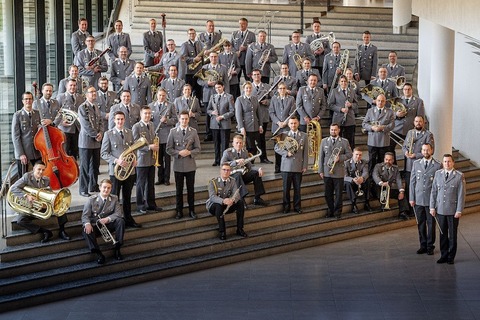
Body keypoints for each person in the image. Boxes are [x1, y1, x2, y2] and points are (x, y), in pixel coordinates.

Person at [9, 161, 70, 243]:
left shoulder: (46, 180)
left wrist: (49, 203)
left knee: (60, 207)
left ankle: (62, 231)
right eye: (39, 169)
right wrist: (26, 196)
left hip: (41, 207)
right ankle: (44, 231)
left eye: (43, 170)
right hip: (29, 206)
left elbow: (50, 196)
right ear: (34, 169)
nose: (41, 172)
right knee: (20, 220)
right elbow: (13, 188)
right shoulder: (27, 177)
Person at [101, 111, 141, 228]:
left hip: (129, 171)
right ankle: (115, 222)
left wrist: (135, 159)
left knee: (127, 197)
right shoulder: (108, 134)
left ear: (124, 120)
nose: (120, 121)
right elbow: (104, 153)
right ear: (114, 120)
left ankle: (128, 219)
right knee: (114, 198)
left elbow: (134, 149)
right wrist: (116, 160)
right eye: (118, 119)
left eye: (122, 119)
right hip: (116, 172)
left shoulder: (129, 132)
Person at [430, 154, 466, 264]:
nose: (447, 163)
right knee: (442, 234)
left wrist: (459, 210)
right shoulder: (438, 174)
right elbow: (434, 191)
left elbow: (461, 195)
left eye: (449, 161)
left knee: (452, 235)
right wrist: (432, 207)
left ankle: (451, 256)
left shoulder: (459, 176)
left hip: (452, 211)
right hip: (440, 210)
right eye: (445, 161)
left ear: (453, 162)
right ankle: (443, 255)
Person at [166, 110, 201, 219]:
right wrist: (178, 153)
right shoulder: (173, 132)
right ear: (179, 119)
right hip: (178, 165)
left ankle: (192, 210)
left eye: (186, 119)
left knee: (191, 190)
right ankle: (179, 211)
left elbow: (198, 148)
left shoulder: (193, 132)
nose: (184, 121)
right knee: (179, 190)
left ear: (188, 119)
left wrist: (190, 152)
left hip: (190, 165)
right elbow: (168, 149)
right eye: (182, 119)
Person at [81, 179, 125, 264]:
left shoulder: (114, 198)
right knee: (85, 229)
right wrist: (87, 224)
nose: (106, 190)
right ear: (100, 188)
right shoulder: (91, 200)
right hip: (96, 226)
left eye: (109, 188)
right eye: (104, 187)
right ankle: (98, 254)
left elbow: (118, 213)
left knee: (121, 221)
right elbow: (85, 215)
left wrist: (107, 219)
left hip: (108, 225)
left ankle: (117, 248)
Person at [409, 143, 441, 255]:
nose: (425, 152)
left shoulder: (437, 165)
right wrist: (411, 198)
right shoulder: (416, 164)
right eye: (423, 150)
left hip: (430, 201)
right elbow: (412, 182)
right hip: (418, 200)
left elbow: (438, 186)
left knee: (431, 224)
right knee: (420, 223)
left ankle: (430, 246)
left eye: (427, 150)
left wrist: (437, 202)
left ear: (432, 150)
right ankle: (422, 245)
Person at [221, 135, 268, 206]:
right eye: (236, 143)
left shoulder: (244, 152)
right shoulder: (227, 152)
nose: (239, 144)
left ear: (243, 143)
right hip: (231, 176)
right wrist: (236, 162)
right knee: (238, 175)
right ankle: (241, 199)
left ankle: (257, 198)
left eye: (240, 143)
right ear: (233, 144)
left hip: (242, 174)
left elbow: (250, 166)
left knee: (256, 173)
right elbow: (222, 164)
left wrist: (258, 169)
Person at [274, 116, 309, 214]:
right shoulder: (284, 135)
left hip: (298, 166)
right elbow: (276, 148)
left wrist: (305, 165)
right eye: (291, 123)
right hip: (286, 167)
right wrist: (286, 153)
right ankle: (286, 207)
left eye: (295, 123)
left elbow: (305, 152)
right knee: (286, 189)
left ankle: (297, 207)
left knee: (297, 189)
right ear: (288, 125)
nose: (293, 125)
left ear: (298, 123)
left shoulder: (304, 136)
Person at [319, 123, 353, 219]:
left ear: (339, 130)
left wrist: (340, 158)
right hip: (327, 171)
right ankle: (331, 210)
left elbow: (350, 154)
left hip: (338, 171)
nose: (333, 131)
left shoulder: (344, 142)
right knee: (327, 194)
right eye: (331, 130)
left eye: (335, 130)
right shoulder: (324, 141)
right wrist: (320, 171)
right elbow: (321, 157)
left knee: (338, 194)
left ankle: (338, 212)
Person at [207, 162, 248, 240]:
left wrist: (232, 200)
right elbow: (212, 197)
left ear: (230, 171)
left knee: (240, 203)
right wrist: (223, 201)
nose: (226, 172)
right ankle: (222, 231)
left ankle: (240, 229)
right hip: (214, 206)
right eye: (224, 170)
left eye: (228, 170)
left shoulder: (232, 181)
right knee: (218, 205)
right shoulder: (213, 182)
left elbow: (237, 195)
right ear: (220, 171)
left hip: (228, 204)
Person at [132, 106, 162, 214]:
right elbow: (135, 144)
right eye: (145, 113)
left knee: (150, 183)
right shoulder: (136, 127)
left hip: (151, 159)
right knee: (141, 184)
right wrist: (150, 147)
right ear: (141, 114)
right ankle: (140, 205)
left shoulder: (152, 125)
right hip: (141, 159)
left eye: (149, 113)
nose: (148, 115)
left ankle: (151, 204)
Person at [78, 86, 104, 196]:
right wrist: (95, 135)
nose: (94, 93)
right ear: (86, 94)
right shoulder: (82, 107)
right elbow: (85, 125)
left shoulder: (96, 106)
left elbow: (101, 122)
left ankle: (93, 185)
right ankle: (83, 189)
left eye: (95, 92)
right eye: (91, 92)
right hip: (86, 142)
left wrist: (101, 133)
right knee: (85, 166)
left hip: (96, 141)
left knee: (95, 165)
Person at [403, 116, 434, 206]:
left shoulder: (428, 134)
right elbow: (404, 146)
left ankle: (418, 206)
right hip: (409, 165)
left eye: (420, 121)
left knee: (419, 186)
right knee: (409, 186)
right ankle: (409, 207)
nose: (418, 123)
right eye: (416, 121)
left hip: (421, 166)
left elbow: (432, 151)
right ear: (414, 122)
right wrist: (405, 152)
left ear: (424, 123)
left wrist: (416, 155)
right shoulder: (410, 132)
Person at [198, 51, 229, 141]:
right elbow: (199, 81)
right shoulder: (204, 67)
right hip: (207, 95)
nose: (213, 58)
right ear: (209, 58)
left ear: (217, 57)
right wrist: (207, 83)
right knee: (209, 115)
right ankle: (209, 134)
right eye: (211, 57)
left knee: (220, 113)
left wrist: (227, 95)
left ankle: (219, 133)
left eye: (215, 57)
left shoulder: (223, 68)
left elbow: (226, 82)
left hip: (220, 94)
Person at [362, 94, 395, 175]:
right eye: (379, 100)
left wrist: (383, 128)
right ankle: (370, 180)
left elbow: (392, 125)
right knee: (372, 161)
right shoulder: (370, 111)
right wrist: (372, 127)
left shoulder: (390, 112)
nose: (380, 102)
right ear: (376, 101)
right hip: (372, 141)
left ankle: (381, 179)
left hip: (384, 141)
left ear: (385, 102)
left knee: (382, 163)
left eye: (382, 101)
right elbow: (364, 124)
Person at [150, 88, 177, 186]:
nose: (161, 97)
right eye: (160, 95)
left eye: (163, 95)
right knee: (158, 158)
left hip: (167, 135)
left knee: (167, 159)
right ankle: (160, 178)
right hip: (156, 136)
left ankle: (166, 179)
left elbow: (175, 119)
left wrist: (166, 121)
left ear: (166, 96)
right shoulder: (151, 105)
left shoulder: (170, 105)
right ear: (157, 95)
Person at [372, 152, 410, 220]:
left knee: (402, 194)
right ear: (384, 159)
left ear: (393, 160)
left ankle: (403, 212)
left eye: (389, 160)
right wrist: (381, 183)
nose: (387, 161)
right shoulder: (378, 166)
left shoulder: (395, 168)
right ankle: (383, 205)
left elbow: (398, 180)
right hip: (380, 188)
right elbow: (375, 176)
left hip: (389, 188)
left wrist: (401, 191)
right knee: (381, 189)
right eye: (386, 159)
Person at [12, 92, 42, 175]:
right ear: (23, 101)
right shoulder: (17, 115)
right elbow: (15, 137)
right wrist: (21, 154)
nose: (28, 101)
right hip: (24, 153)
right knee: (23, 178)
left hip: (37, 152)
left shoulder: (37, 113)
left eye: (30, 99)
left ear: (32, 100)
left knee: (38, 176)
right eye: (26, 99)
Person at [269, 82, 296, 173]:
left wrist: (286, 122)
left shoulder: (291, 99)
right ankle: (277, 167)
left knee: (287, 148)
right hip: (276, 127)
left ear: (286, 89)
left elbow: (292, 113)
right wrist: (278, 122)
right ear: (277, 90)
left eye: (284, 88)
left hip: (286, 128)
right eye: (280, 88)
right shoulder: (273, 98)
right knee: (278, 148)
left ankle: (286, 167)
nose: (282, 90)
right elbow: (271, 112)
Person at [207, 81, 235, 166]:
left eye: (219, 87)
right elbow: (208, 109)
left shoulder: (229, 97)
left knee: (224, 144)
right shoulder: (212, 97)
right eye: (216, 88)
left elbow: (232, 111)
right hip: (214, 124)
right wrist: (212, 112)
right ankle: (217, 160)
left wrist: (222, 116)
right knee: (216, 143)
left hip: (225, 124)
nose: (217, 89)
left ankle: (224, 161)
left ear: (223, 87)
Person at [55, 79, 85, 159]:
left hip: (77, 128)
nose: (72, 87)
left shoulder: (80, 97)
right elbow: (56, 112)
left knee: (75, 152)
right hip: (65, 129)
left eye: (74, 85)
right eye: (70, 85)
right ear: (66, 86)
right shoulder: (60, 97)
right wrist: (61, 122)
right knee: (65, 152)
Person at [327, 75, 358, 148]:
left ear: (347, 82)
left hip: (350, 119)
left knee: (350, 140)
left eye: (345, 81)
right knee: (338, 140)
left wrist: (351, 105)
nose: (343, 83)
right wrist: (340, 109)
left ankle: (350, 156)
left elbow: (356, 104)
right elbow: (330, 105)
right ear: (339, 82)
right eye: (342, 81)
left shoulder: (352, 91)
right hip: (338, 119)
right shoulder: (334, 91)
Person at [250, 69, 273, 164]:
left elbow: (273, 99)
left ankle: (263, 157)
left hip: (263, 115)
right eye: (254, 75)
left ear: (261, 75)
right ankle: (252, 158)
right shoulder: (248, 86)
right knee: (252, 138)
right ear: (251, 76)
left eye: (258, 74)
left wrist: (267, 102)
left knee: (262, 138)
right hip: (253, 117)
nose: (256, 76)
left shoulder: (267, 86)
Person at [235, 82, 263, 157]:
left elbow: (259, 113)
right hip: (246, 126)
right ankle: (248, 163)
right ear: (243, 89)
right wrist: (241, 127)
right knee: (249, 146)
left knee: (255, 146)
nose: (248, 89)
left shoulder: (254, 98)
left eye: (250, 88)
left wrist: (260, 125)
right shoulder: (239, 99)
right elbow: (238, 114)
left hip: (255, 126)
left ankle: (252, 162)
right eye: (247, 88)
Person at [344, 148, 371, 213]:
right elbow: (344, 176)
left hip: (360, 181)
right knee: (347, 183)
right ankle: (353, 203)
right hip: (351, 182)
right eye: (356, 154)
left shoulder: (364, 162)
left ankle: (367, 202)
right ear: (353, 154)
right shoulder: (346, 163)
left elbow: (366, 173)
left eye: (360, 155)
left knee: (368, 180)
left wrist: (362, 178)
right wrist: (352, 179)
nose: (358, 156)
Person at [180, 28, 203, 99]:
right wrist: (193, 59)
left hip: (198, 71)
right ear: (188, 35)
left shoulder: (199, 44)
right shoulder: (185, 45)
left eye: (193, 33)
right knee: (189, 91)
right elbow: (183, 58)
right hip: (190, 72)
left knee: (199, 91)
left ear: (195, 34)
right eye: (190, 34)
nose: (192, 35)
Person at [231, 17, 256, 82]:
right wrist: (235, 52)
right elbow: (231, 46)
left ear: (246, 25)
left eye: (243, 24)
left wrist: (246, 48)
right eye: (240, 24)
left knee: (248, 79)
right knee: (235, 80)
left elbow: (254, 47)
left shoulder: (251, 34)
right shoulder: (234, 33)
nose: (241, 25)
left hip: (247, 61)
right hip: (237, 60)